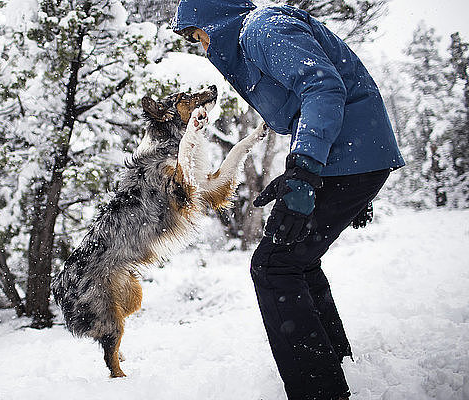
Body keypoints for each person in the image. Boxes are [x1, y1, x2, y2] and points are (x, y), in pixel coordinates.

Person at [172, 1, 405, 399]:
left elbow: (323, 86)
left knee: (273, 267)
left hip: (343, 158)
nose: (204, 46)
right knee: (294, 261)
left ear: (215, 18)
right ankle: (337, 366)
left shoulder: (263, 29)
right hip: (349, 156)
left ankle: (319, 391)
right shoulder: (260, 31)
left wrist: (304, 169)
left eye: (200, 34)